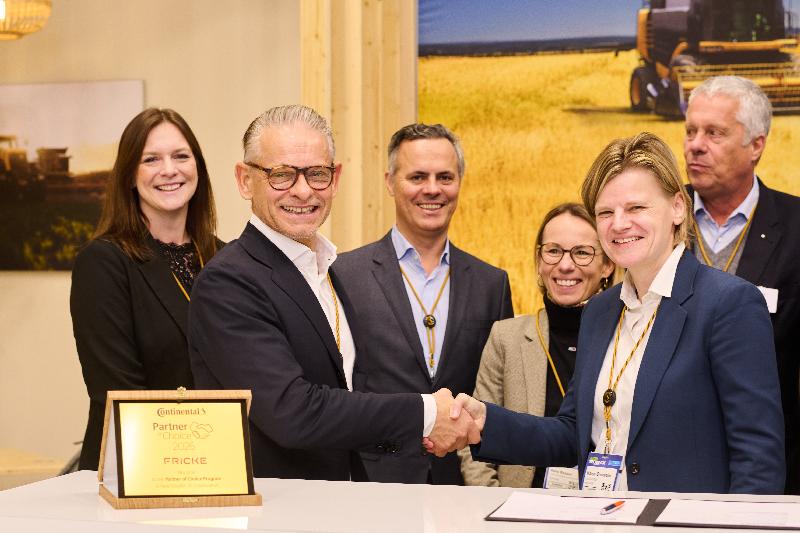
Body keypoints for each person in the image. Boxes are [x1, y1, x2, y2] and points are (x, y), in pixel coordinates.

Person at [436, 132, 785, 494]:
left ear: (678, 208)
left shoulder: (728, 304)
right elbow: (572, 432)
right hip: (601, 515)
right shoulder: (600, 311)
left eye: (636, 208)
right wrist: (485, 422)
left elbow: (758, 458)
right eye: (605, 212)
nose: (618, 224)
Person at [187, 105, 477, 481]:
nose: (303, 190)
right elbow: (292, 412)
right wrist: (426, 415)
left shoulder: (326, 271)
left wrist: (423, 434)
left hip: (344, 500)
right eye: (281, 175)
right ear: (245, 180)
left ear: (335, 178)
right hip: (277, 507)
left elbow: (351, 394)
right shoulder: (228, 282)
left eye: (317, 174)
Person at [332, 123, 513, 485]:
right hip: (373, 481)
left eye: (445, 177)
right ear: (390, 182)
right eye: (417, 177)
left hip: (463, 484)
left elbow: (498, 393)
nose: (432, 189)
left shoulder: (491, 284)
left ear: (459, 182)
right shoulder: (344, 275)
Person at [70, 108, 221, 470]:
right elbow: (116, 389)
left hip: (218, 461)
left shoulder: (225, 259)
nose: (169, 170)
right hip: (136, 467)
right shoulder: (103, 262)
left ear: (198, 168)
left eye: (181, 156)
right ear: (129, 176)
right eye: (151, 159)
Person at [684, 76, 800, 495]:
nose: (695, 146)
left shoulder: (795, 226)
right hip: (668, 463)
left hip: (769, 465)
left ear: (756, 145)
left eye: (714, 133)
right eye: (691, 131)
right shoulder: (657, 219)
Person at [458, 203, 614, 488]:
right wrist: (497, 505)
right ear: (539, 261)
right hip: (517, 507)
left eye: (582, 252)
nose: (565, 265)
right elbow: (474, 437)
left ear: (607, 265)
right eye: (553, 251)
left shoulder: (625, 339)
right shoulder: (506, 338)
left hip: (606, 505)